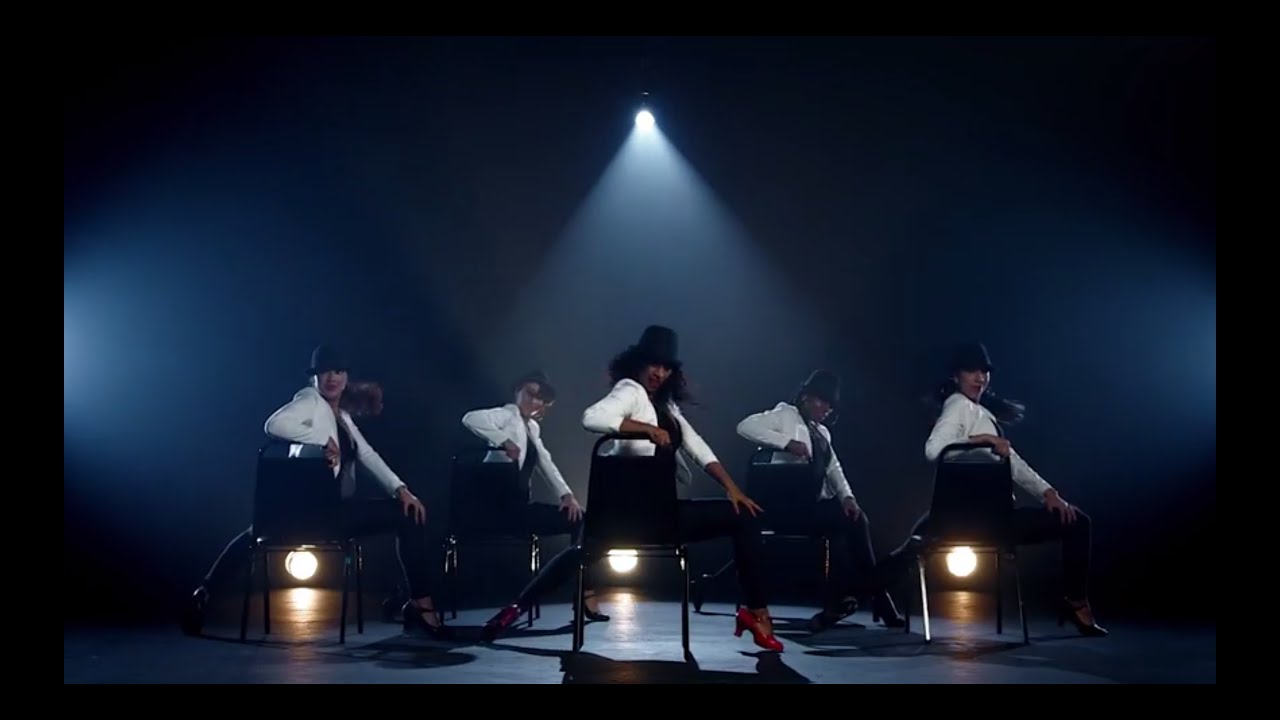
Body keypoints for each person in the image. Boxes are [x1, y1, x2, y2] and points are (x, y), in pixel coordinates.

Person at [483, 326, 783, 652]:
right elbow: (592, 417)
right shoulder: (630, 390)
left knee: (580, 553)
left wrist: (731, 488)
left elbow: (698, 449)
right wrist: (645, 429)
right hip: (644, 518)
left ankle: (513, 609)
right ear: (638, 363)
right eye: (653, 364)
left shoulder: (667, 408)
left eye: (666, 367)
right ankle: (756, 614)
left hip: (634, 519)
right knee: (743, 521)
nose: (659, 373)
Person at [180, 345, 449, 638]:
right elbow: (274, 424)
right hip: (318, 514)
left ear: (346, 377)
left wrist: (401, 489)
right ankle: (420, 606)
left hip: (330, 510)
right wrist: (320, 442)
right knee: (257, 533)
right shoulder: (309, 400)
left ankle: (204, 592)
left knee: (407, 511)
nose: (331, 377)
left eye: (338, 371)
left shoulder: (342, 416)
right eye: (325, 371)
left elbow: (367, 455)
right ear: (315, 376)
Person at [882, 342, 1106, 637]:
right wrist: (982, 440)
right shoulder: (959, 407)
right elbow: (934, 450)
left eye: (985, 372)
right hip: (988, 523)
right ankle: (1075, 602)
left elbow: (1013, 464)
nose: (980, 378)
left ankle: (868, 589)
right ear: (956, 376)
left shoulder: (976, 411)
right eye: (972, 371)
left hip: (966, 518)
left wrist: (1048, 493)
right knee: (1078, 524)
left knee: (912, 546)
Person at [736, 369, 904, 629]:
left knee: (854, 518)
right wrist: (786, 443)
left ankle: (858, 598)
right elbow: (745, 426)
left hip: (810, 506)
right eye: (822, 401)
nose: (827, 409)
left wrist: (847, 497)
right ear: (806, 397)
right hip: (784, 507)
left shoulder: (822, 433)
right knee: (843, 524)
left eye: (831, 405)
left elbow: (834, 468)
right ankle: (874, 596)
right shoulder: (785, 415)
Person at [461, 370, 607, 621]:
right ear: (517, 391)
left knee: (582, 521)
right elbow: (470, 418)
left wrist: (566, 495)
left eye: (541, 399)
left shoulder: (532, 428)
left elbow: (545, 463)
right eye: (530, 394)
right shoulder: (506, 415)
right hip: (497, 510)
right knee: (582, 523)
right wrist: (503, 440)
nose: (535, 401)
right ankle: (576, 594)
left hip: (519, 509)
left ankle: (584, 591)